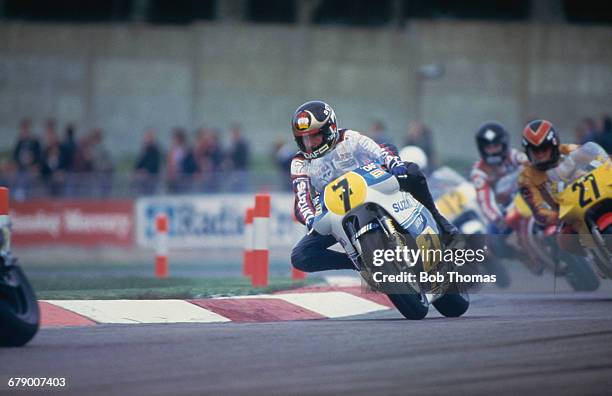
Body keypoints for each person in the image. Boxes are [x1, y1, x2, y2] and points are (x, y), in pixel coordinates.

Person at [289, 100, 458, 273]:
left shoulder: (349, 137)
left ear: (330, 129)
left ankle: (439, 220)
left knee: (412, 171)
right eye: (304, 139)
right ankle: (360, 263)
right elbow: (301, 198)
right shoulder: (300, 162)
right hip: (334, 212)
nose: (310, 144)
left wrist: (393, 163)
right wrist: (310, 219)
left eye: (314, 136)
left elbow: (379, 150)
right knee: (300, 256)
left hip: (372, 190)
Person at [470, 121, 526, 234]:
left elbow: (533, 168)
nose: (493, 151)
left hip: (527, 202)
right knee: (494, 233)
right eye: (488, 147)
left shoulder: (514, 156)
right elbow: (485, 203)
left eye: (496, 146)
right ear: (482, 148)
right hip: (504, 213)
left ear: (504, 144)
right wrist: (499, 220)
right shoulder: (479, 171)